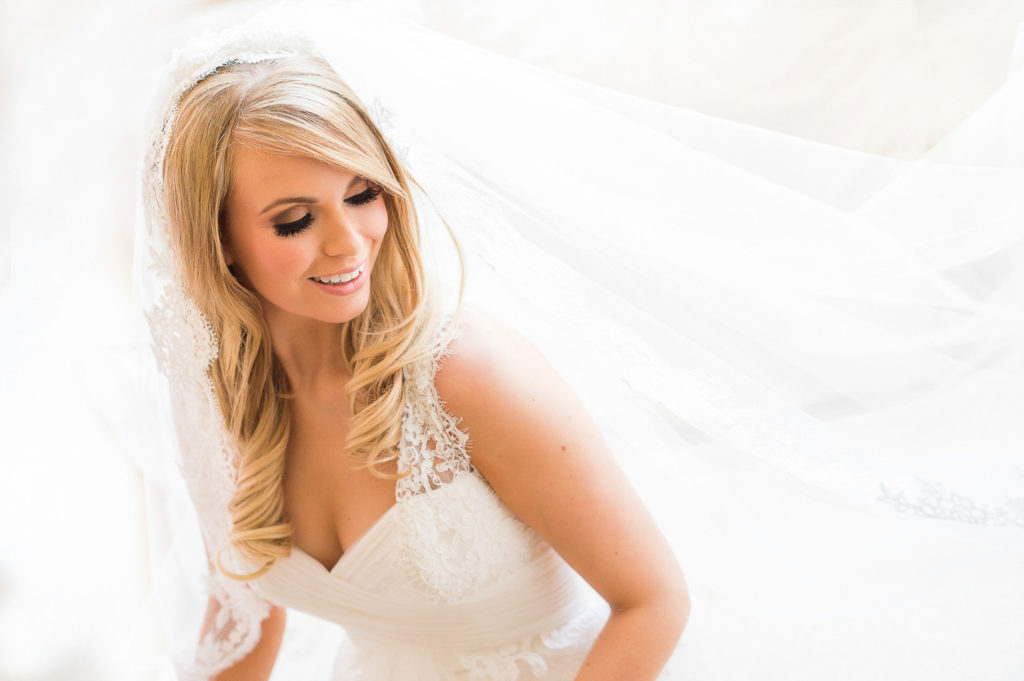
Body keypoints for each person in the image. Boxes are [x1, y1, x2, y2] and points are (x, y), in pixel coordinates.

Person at [137, 3, 1024, 680]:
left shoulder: (466, 374)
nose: (348, 242)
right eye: (295, 218)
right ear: (215, 239)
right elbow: (244, 618)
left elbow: (653, 601)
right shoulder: (218, 396)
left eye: (365, 195)